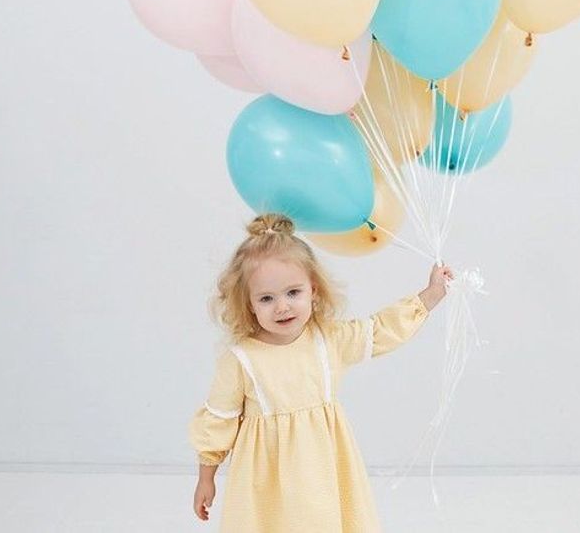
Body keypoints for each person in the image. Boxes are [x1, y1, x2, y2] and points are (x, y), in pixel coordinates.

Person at [189, 212, 453, 531]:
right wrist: (207, 477)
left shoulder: (327, 340)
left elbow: (378, 331)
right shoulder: (242, 359)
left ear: (313, 290)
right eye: (266, 298)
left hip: (323, 469)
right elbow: (219, 419)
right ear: (249, 304)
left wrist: (431, 295)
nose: (282, 307)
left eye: (293, 293)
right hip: (266, 480)